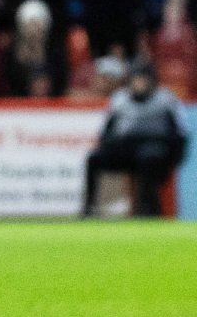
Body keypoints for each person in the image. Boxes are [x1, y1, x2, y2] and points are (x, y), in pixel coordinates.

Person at [81, 61, 188, 217]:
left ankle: (147, 208)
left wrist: (174, 159)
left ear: (152, 81)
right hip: (126, 149)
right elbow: (107, 133)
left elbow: (179, 134)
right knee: (94, 158)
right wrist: (112, 145)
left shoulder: (166, 100)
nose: (139, 84)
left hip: (155, 150)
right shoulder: (119, 99)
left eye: (143, 79)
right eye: (136, 79)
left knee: (148, 157)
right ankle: (89, 208)